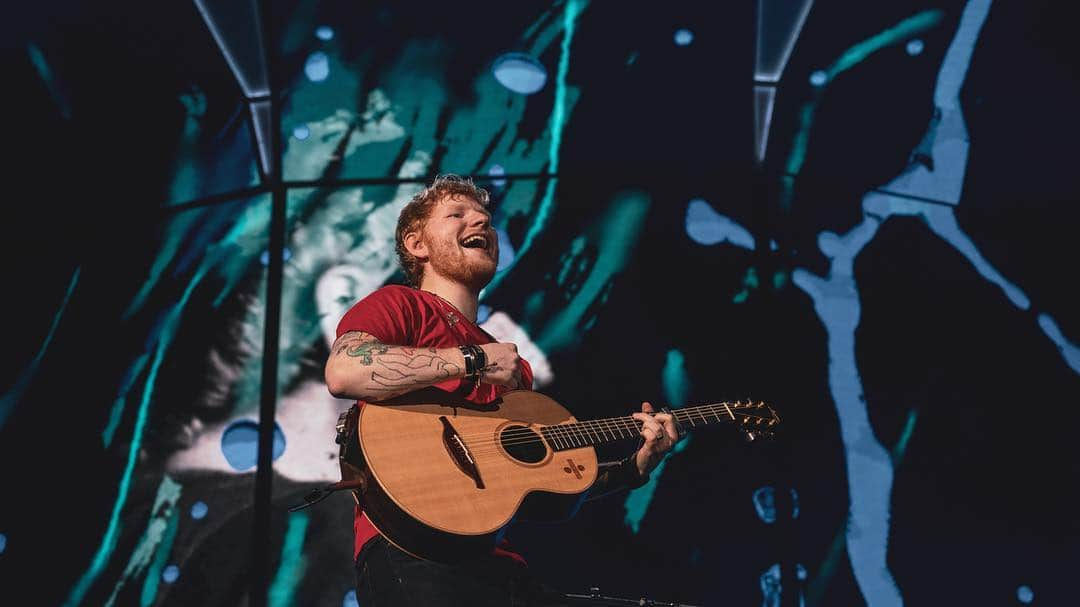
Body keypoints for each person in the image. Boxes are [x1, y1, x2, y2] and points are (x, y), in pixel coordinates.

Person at [324, 174, 681, 606]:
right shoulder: (401, 304)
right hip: (415, 557)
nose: (480, 223)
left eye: (485, 219)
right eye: (457, 214)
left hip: (500, 567)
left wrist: (635, 467)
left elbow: (539, 481)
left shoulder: (513, 367)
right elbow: (344, 371)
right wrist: (474, 361)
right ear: (417, 244)